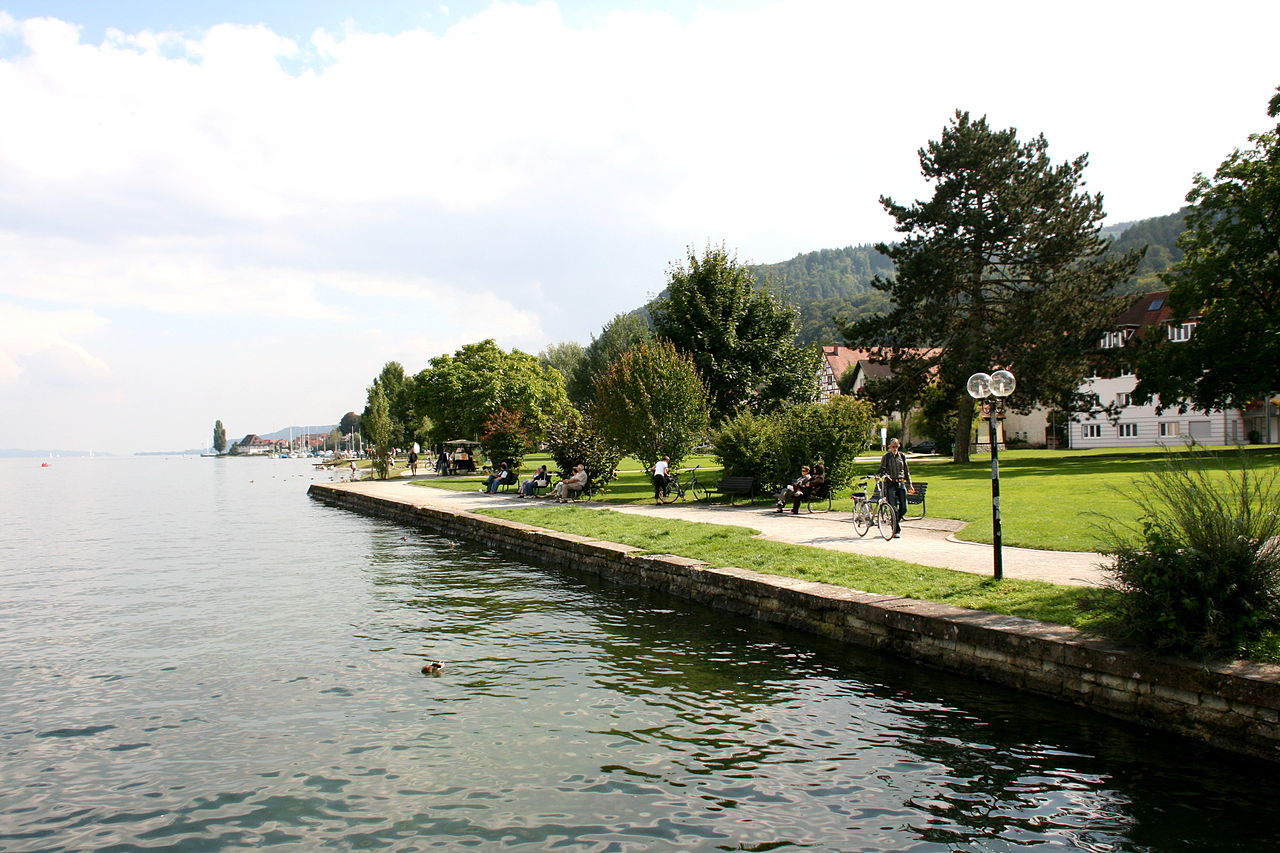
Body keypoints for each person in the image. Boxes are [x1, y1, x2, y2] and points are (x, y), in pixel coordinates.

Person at [876, 437, 915, 538]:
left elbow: (906, 471)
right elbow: (882, 469)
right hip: (890, 484)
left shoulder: (902, 456)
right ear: (890, 447)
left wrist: (910, 484)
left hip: (901, 483)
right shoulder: (886, 457)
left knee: (904, 508)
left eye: (897, 446)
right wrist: (879, 476)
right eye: (893, 446)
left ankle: (894, 521)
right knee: (893, 508)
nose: (895, 448)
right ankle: (896, 530)